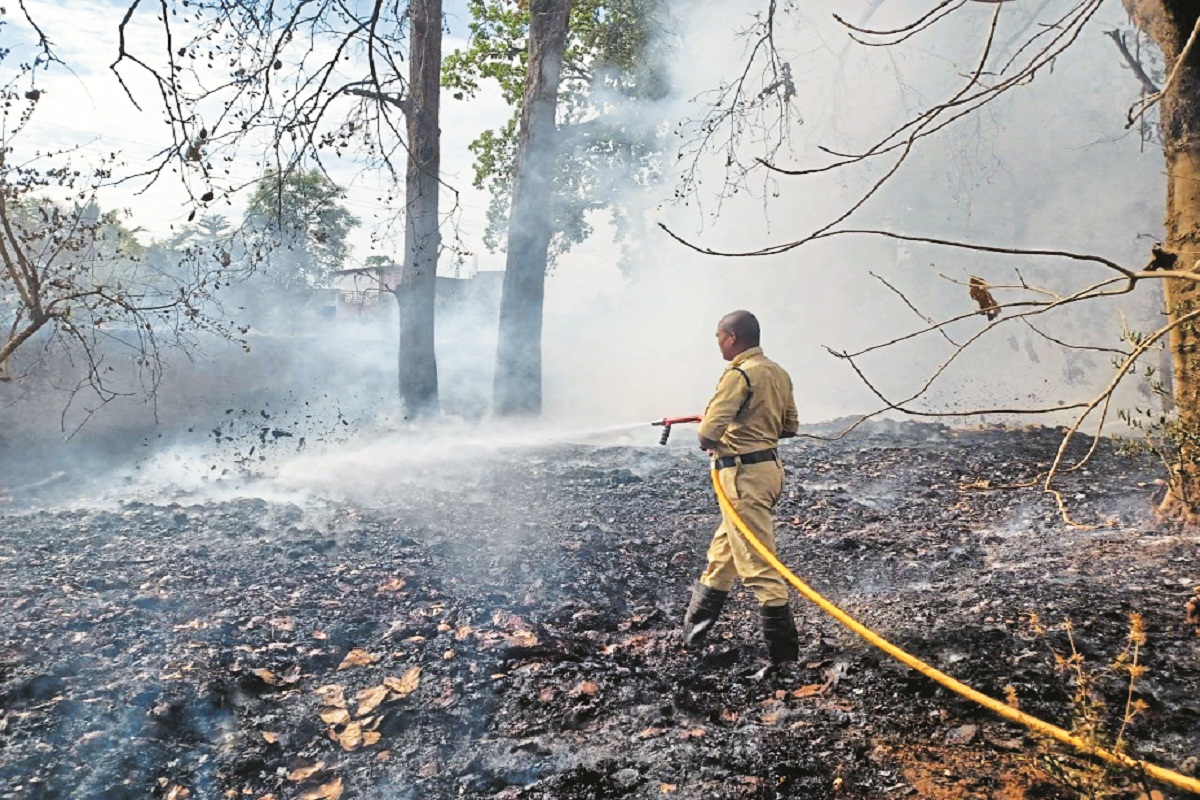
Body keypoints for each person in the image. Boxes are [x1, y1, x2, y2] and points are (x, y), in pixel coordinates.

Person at [682, 310, 801, 664]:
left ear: (732, 337)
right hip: (768, 472)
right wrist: (753, 428)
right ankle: (692, 638)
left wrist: (714, 428)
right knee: (721, 558)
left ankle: (784, 660)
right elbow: (789, 427)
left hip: (742, 479)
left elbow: (708, 434)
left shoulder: (739, 375)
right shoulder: (778, 372)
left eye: (718, 336)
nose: (717, 343)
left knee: (759, 566)